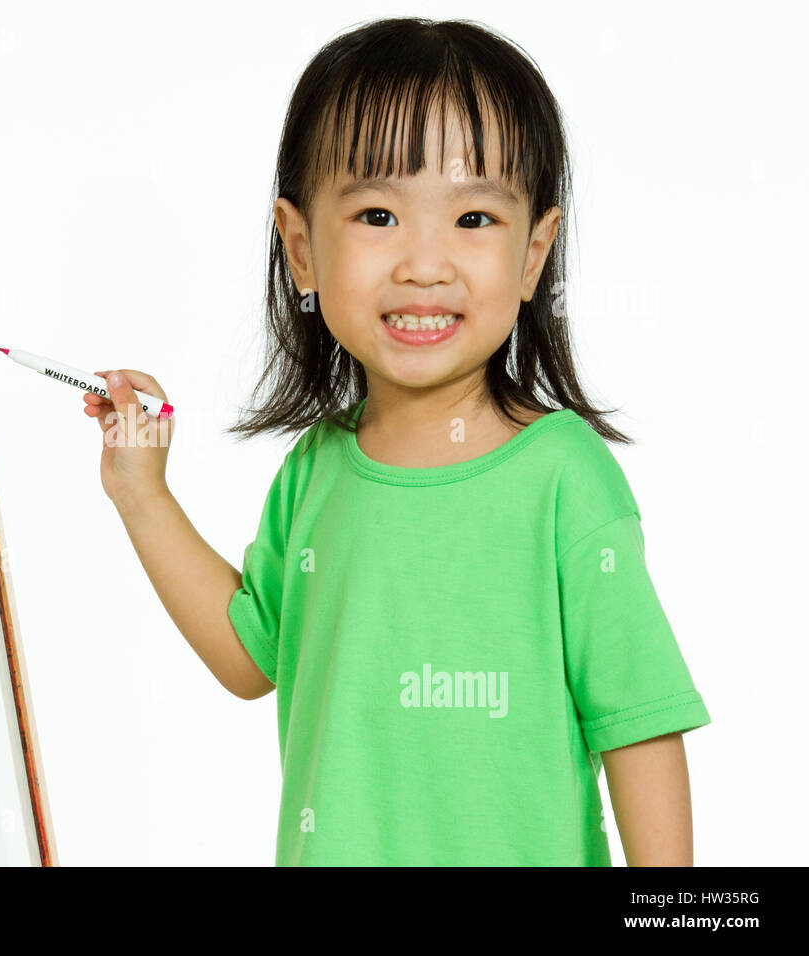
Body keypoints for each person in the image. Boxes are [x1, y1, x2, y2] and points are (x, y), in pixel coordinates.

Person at [82, 17, 709, 866]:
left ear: (534, 254)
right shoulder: (315, 473)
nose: (424, 263)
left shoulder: (564, 478)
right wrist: (141, 490)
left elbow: (636, 723)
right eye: (378, 214)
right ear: (302, 249)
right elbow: (248, 656)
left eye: (474, 218)